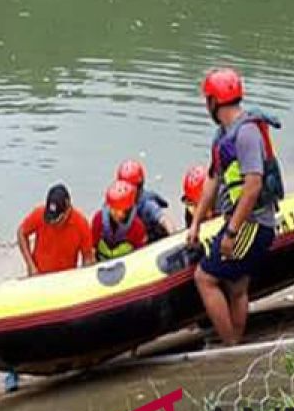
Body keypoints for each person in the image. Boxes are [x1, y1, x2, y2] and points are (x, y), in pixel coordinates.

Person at [186, 68, 283, 346]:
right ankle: (235, 340)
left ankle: (229, 345)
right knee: (236, 285)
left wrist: (230, 232)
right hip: (243, 222)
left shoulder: (247, 134)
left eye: (207, 99)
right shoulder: (222, 136)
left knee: (204, 278)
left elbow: (252, 187)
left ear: (215, 101)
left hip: (252, 224)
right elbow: (213, 180)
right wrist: (195, 224)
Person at [16, 183, 95, 276]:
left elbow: (87, 258)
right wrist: (30, 265)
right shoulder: (39, 214)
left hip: (64, 278)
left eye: (57, 220)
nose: (53, 223)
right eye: (50, 220)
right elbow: (21, 232)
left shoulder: (81, 225)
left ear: (68, 209)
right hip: (38, 274)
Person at [116, 160, 178, 241]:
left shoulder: (147, 204)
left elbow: (165, 220)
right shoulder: (115, 202)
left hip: (153, 238)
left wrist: (174, 239)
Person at [91, 180, 149, 260]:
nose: (118, 214)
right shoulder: (98, 219)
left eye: (121, 209)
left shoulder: (137, 227)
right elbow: (91, 249)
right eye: (114, 209)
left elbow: (141, 256)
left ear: (129, 208)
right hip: (101, 265)